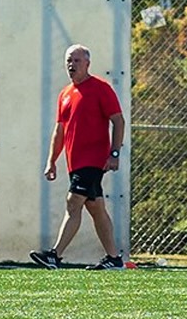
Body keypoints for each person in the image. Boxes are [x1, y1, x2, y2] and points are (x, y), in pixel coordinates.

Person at [29, 44, 126, 270]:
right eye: (69, 61)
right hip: (75, 161)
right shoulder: (65, 94)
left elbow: (118, 120)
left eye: (77, 61)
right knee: (96, 208)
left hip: (94, 159)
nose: (71, 65)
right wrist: (51, 161)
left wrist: (114, 153)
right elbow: (60, 130)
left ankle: (55, 255)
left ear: (87, 64)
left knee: (73, 203)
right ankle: (114, 258)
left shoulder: (101, 88)